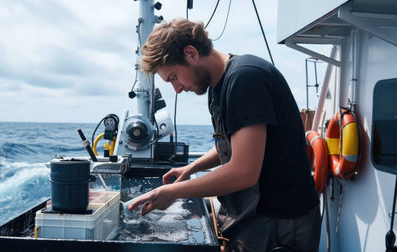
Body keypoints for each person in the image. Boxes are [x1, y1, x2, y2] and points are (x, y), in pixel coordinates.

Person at [128, 19, 321, 252]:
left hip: (280, 223)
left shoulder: (246, 79)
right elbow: (231, 145)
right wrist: (191, 168)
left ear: (191, 53)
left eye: (174, 78)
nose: (177, 89)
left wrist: (171, 193)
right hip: (256, 217)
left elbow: (243, 172)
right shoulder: (217, 86)